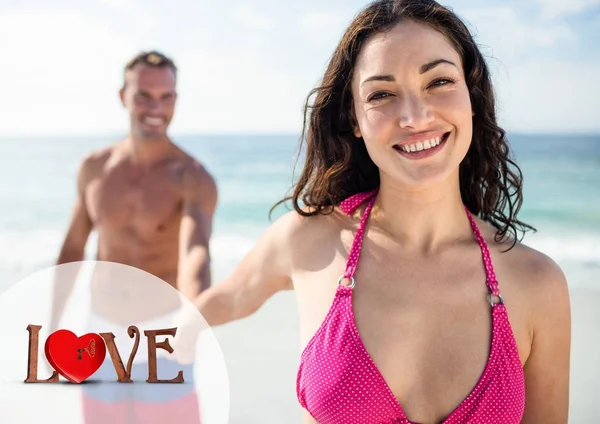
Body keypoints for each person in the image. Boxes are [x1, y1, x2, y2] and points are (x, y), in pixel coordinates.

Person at [186, 1, 571, 423]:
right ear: (354, 118)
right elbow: (224, 301)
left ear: (471, 97)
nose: (415, 116)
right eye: (382, 94)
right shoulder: (309, 240)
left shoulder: (537, 284)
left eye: (439, 81)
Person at [49, 51, 217, 424]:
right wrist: (53, 328)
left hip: (163, 340)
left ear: (176, 99)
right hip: (97, 338)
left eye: (166, 96)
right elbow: (73, 249)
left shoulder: (192, 177)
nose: (155, 107)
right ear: (123, 96)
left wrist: (192, 326)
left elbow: (196, 255)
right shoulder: (95, 168)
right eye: (144, 95)